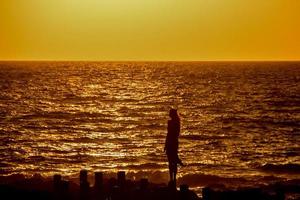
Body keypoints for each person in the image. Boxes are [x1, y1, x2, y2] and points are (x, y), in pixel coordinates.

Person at [164, 108, 184, 185]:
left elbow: (168, 134)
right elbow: (173, 134)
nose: (169, 114)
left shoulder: (171, 123)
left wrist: (166, 144)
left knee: (171, 161)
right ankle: (173, 179)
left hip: (171, 142)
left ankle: (172, 179)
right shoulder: (177, 123)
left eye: (170, 113)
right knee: (174, 161)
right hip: (174, 142)